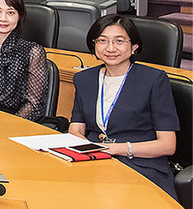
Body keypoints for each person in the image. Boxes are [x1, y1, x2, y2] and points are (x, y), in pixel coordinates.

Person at [69, 15, 179, 199]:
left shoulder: (154, 80)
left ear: (134, 46)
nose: (110, 48)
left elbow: (168, 145)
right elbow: (76, 127)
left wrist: (116, 149)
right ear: (94, 46)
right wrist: (88, 147)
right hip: (94, 161)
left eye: (119, 41)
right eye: (102, 41)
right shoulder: (84, 79)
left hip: (139, 165)